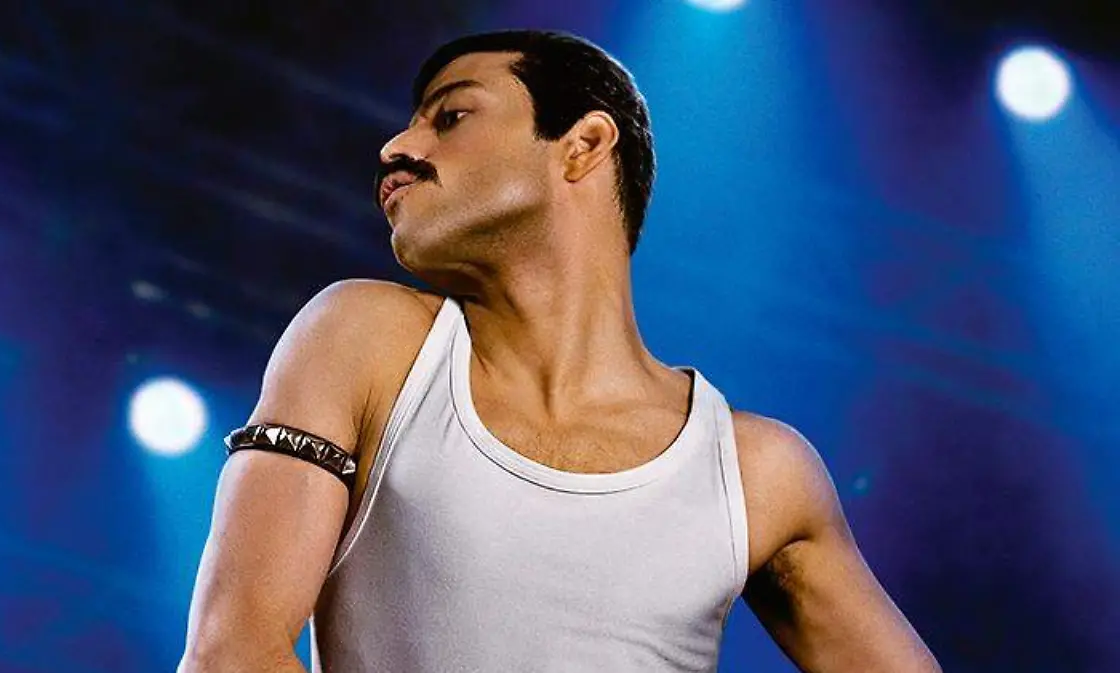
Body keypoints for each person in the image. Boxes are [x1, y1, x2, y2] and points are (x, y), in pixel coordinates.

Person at [178, 30, 941, 673]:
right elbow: (230, 653)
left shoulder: (758, 471)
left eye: (451, 116)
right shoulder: (365, 339)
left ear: (584, 145)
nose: (395, 147)